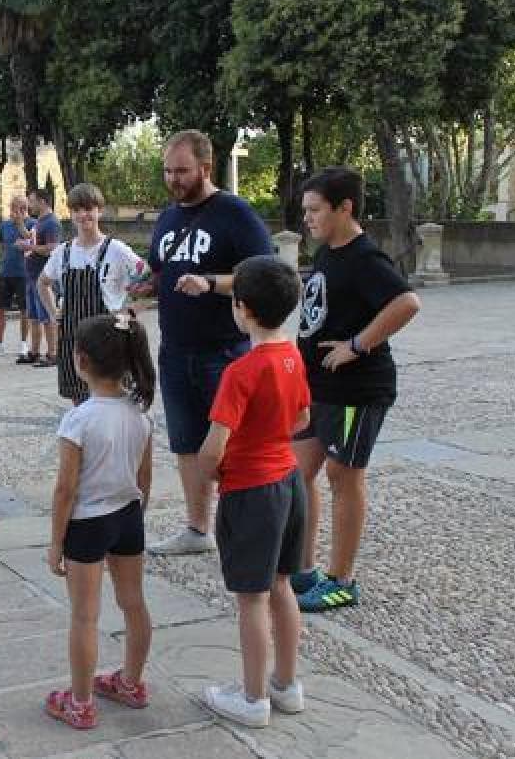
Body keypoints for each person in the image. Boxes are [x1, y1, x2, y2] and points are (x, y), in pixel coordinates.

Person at [292, 167, 421, 612]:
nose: (306, 218)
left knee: (342, 477)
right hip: (319, 389)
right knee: (296, 472)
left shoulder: (366, 258)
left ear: (344, 208)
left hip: (356, 392)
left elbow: (406, 303)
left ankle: (341, 580)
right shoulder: (330, 251)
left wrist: (356, 345)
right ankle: (303, 568)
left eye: (314, 210)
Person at [146, 129, 273, 556]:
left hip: (223, 351)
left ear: (205, 167)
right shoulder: (168, 216)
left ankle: (243, 528)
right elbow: (161, 269)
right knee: (185, 442)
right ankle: (198, 529)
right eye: (167, 170)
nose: (172, 179)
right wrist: (145, 285)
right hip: (174, 350)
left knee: (232, 444)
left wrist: (213, 283)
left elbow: (266, 273)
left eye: (181, 171)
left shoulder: (234, 213)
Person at [196, 255, 310, 727]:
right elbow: (302, 419)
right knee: (282, 585)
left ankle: (252, 697)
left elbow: (212, 447)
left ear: (241, 308)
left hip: (251, 490)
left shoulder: (240, 372)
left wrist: (211, 474)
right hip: (289, 480)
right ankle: (286, 685)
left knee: (251, 597)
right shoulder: (293, 355)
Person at [43, 313, 155, 730]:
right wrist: (134, 519)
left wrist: (56, 543)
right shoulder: (140, 414)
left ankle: (81, 701)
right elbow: (145, 478)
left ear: (81, 360)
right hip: (128, 515)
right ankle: (132, 682)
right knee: (134, 603)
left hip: (88, 522)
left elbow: (65, 490)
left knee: (84, 616)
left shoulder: (80, 418)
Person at [38, 183, 149, 405]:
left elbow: (148, 278)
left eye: (88, 208)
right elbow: (43, 283)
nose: (83, 215)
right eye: (77, 210)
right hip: (74, 338)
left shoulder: (117, 250)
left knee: (115, 401)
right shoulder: (63, 252)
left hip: (110, 338)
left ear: (99, 210)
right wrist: (54, 313)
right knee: (79, 402)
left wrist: (129, 312)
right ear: (71, 213)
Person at [17, 188, 60, 368]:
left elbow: (52, 248)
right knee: (34, 316)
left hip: (44, 278)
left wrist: (30, 248)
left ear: (42, 201)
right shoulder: (39, 222)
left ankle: (53, 353)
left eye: (32, 201)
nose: (29, 204)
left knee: (47, 316)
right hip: (32, 276)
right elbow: (31, 237)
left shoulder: (51, 222)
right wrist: (19, 223)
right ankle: (34, 352)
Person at [0, 195, 32, 358]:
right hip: (5, 273)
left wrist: (20, 223)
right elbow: (2, 245)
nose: (13, 212)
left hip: (24, 274)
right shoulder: (4, 225)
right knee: (0, 309)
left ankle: (23, 344)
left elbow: (30, 240)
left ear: (24, 209)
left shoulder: (33, 223)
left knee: (25, 310)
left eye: (16, 208)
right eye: (12, 208)